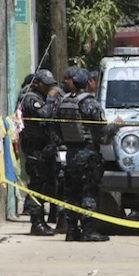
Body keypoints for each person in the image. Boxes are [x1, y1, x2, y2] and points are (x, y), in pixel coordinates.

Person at [54, 68, 110, 242]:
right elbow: (102, 130)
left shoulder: (62, 102)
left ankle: (71, 230)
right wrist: (115, 128)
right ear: (87, 83)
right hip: (88, 153)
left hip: (71, 154)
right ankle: (88, 230)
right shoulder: (91, 103)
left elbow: (55, 127)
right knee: (89, 191)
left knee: (71, 192)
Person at [18, 69, 60, 236]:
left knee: (46, 185)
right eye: (47, 85)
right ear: (37, 83)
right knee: (37, 186)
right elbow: (44, 115)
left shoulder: (40, 98)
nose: (49, 88)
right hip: (35, 149)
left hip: (45, 148)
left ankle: (42, 221)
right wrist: (51, 99)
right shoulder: (31, 99)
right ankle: (36, 223)